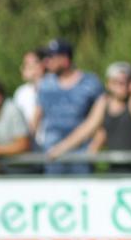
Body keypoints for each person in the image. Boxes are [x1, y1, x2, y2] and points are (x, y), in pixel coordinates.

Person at [47, 62, 131, 167]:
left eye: (125, 82)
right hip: (116, 169)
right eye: (117, 82)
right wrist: (60, 149)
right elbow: (88, 128)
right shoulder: (104, 103)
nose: (121, 86)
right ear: (108, 84)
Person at [35, 38, 104, 174]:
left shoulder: (91, 83)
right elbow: (36, 117)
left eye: (51, 57)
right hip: (51, 156)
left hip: (81, 154)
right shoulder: (44, 85)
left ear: (65, 59)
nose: (46, 61)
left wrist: (93, 146)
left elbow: (96, 121)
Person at [13, 48, 45, 142]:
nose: (22, 68)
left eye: (27, 64)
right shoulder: (21, 92)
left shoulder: (53, 89)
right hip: (30, 146)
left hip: (49, 146)